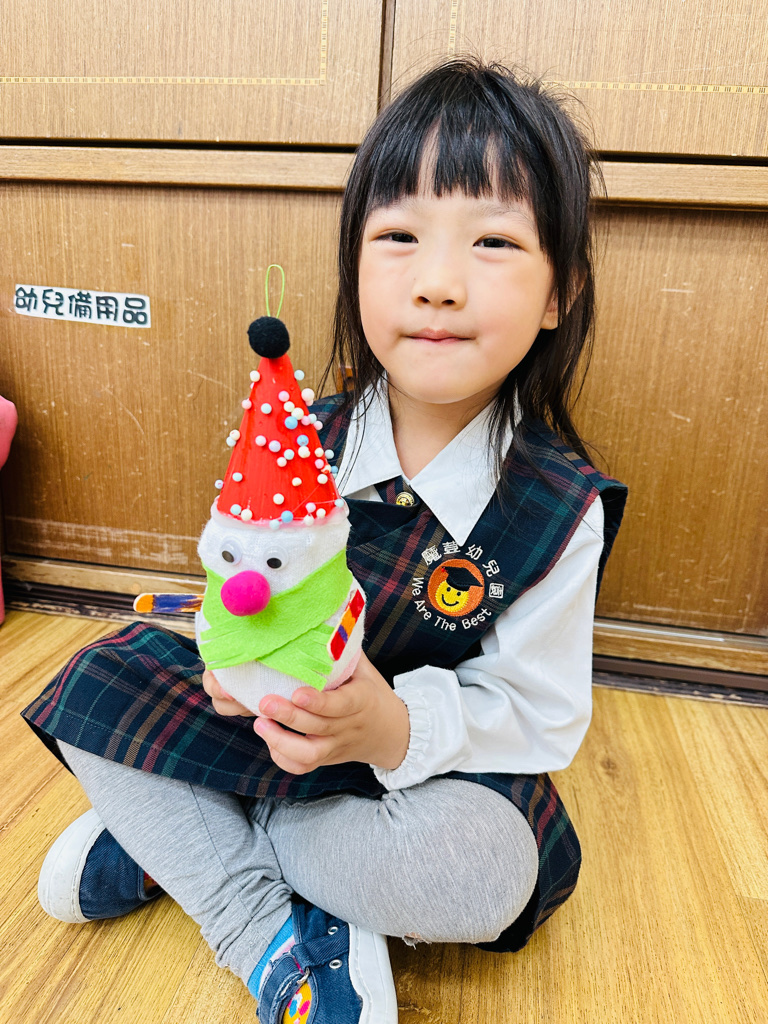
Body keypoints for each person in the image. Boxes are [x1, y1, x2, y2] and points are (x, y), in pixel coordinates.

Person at [22, 58, 627, 1024]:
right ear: (355, 267)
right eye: (399, 237)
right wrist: (228, 659)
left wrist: (390, 727)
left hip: (411, 777)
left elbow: (539, 716)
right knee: (98, 681)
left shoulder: (556, 505)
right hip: (267, 730)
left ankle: (194, 841)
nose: (438, 284)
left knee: (490, 871)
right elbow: (236, 585)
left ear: (560, 293)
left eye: (494, 242)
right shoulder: (300, 434)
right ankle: (263, 925)